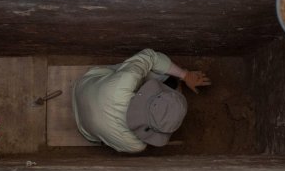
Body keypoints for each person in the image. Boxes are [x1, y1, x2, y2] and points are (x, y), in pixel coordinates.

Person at [72, 48, 211, 153]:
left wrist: (185, 75)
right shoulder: (136, 145)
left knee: (148, 69)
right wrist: (184, 77)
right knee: (154, 73)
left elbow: (150, 56)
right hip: (86, 130)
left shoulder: (124, 82)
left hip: (84, 86)